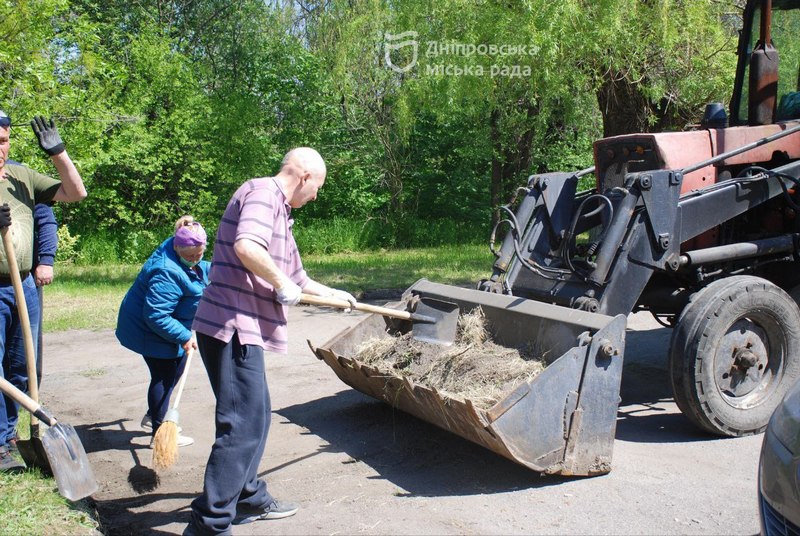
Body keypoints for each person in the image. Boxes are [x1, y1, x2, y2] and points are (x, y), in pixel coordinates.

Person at [185, 147, 356, 535]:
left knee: (257, 415)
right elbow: (247, 247)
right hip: (231, 326)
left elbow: (299, 278)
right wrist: (280, 284)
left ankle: (247, 496)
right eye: (318, 188)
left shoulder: (281, 212)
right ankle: (209, 524)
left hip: (243, 328)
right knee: (242, 423)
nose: (316, 197)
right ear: (306, 176)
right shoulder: (263, 193)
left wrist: (335, 295)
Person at [0, 111, 87, 473]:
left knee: (22, 368)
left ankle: (8, 436)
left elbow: (76, 193)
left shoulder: (20, 175)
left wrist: (58, 152)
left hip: (22, 286)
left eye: (3, 140)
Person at [115, 216, 211, 448]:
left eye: (199, 255)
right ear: (177, 247)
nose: (195, 260)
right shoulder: (166, 271)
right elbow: (156, 315)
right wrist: (185, 336)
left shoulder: (182, 250)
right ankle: (160, 434)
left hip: (162, 325)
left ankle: (154, 415)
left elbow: (200, 272)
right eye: (189, 257)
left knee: (174, 370)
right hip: (148, 329)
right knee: (164, 376)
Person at [33, 203, 58, 388]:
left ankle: (28, 393)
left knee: (26, 341)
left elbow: (46, 221)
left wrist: (46, 260)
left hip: (24, 277)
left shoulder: (22, 181)